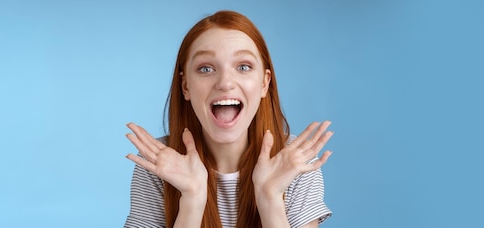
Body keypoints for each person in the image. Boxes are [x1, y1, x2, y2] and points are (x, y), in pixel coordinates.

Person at [124, 10, 333, 228]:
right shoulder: (160, 162)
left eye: (243, 67)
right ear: (185, 86)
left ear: (264, 83)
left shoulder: (293, 161)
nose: (225, 82)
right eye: (205, 68)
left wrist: (270, 197)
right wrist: (192, 200)